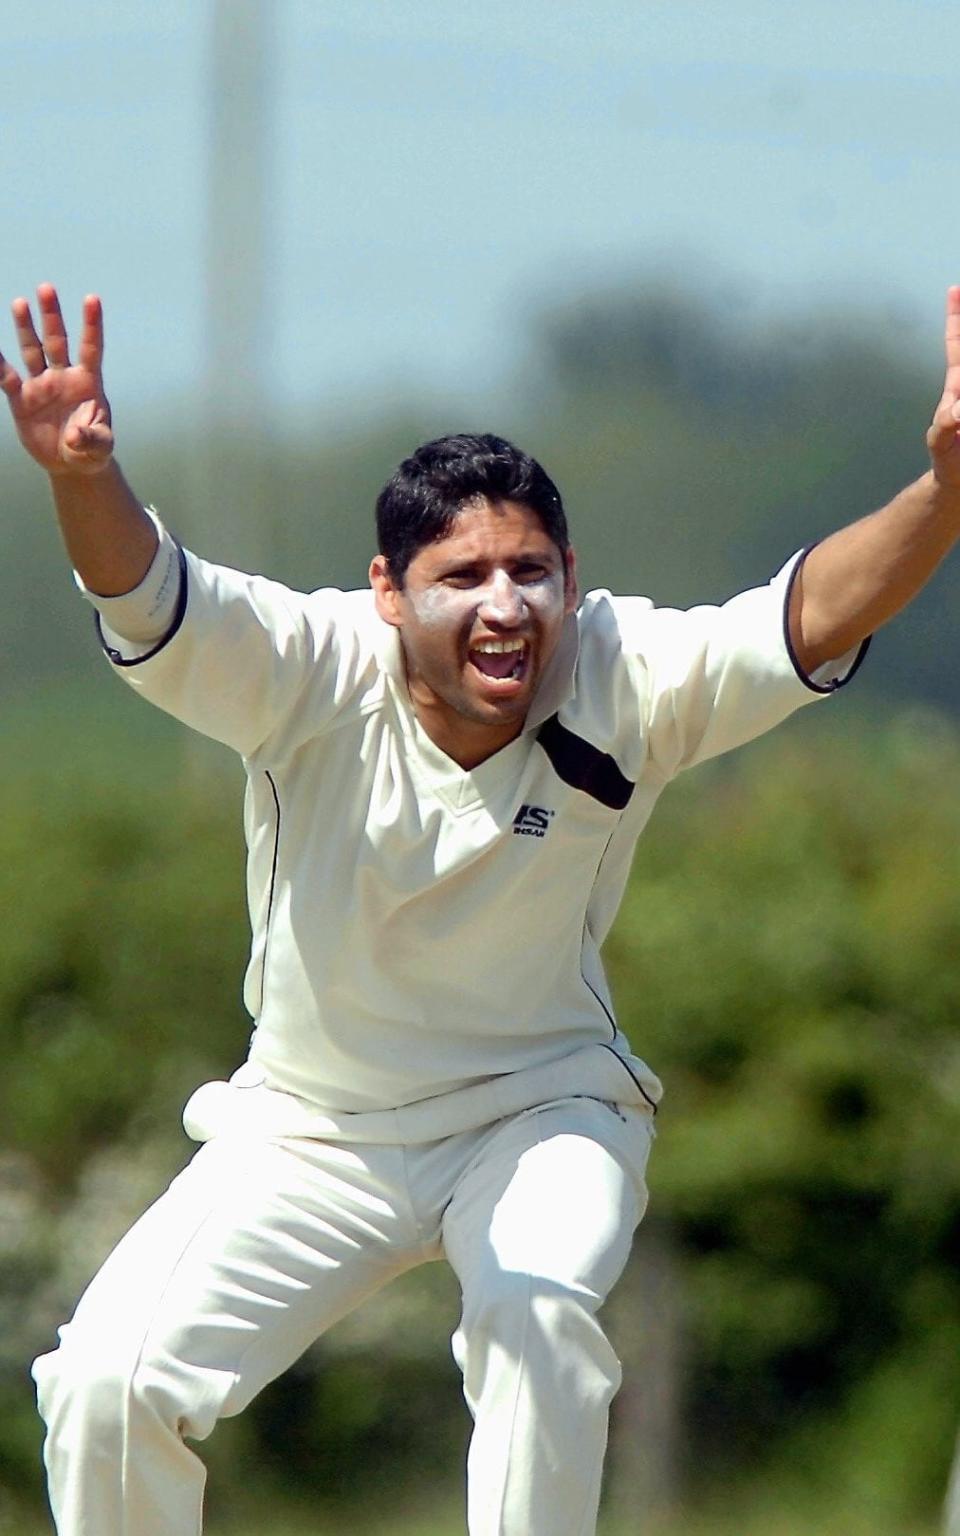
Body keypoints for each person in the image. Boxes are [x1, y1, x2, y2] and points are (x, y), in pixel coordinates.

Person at [3, 281, 960, 1536]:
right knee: (104, 1386)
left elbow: (807, 614)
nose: (505, 605)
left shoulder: (623, 673)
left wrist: (945, 493)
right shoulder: (305, 666)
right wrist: (84, 476)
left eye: (531, 571)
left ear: (573, 577)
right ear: (389, 591)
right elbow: (149, 595)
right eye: (463, 576)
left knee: (537, 1309)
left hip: (541, 1107)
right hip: (313, 1129)